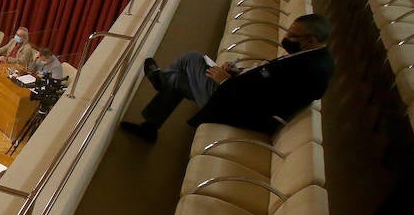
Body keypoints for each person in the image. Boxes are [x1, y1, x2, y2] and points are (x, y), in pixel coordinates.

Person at [120, 13, 334, 142]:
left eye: (292, 36)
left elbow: (264, 102)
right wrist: (237, 74)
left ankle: (161, 80)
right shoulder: (312, 57)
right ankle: (150, 125)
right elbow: (266, 82)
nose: (286, 38)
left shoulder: (309, 70)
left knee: (191, 59)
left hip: (238, 108)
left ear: (311, 39)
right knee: (180, 80)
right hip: (239, 94)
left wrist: (225, 81)